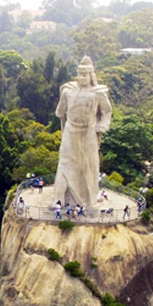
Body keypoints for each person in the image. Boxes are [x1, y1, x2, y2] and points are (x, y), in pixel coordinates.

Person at [52, 56, 113, 208]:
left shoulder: (98, 93)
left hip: (89, 132)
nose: (81, 78)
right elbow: (60, 112)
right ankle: (59, 198)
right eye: (79, 74)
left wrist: (103, 125)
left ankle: (88, 198)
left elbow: (107, 111)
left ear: (91, 75)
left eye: (84, 75)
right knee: (65, 162)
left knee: (88, 165)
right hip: (71, 130)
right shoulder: (68, 91)